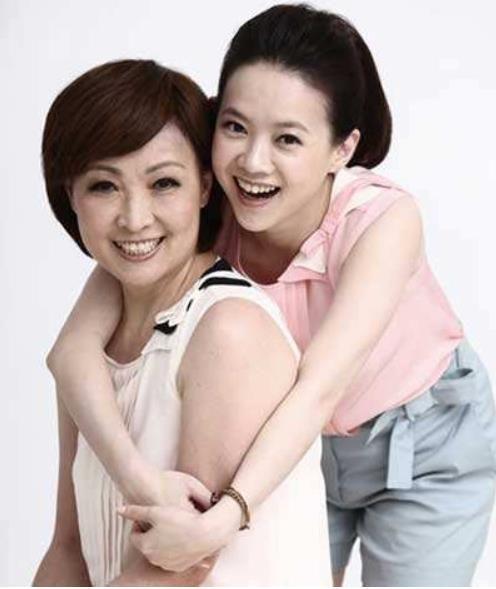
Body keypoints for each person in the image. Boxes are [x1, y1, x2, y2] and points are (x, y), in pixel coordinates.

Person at [46, 4, 496, 587]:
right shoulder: (193, 205)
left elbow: (317, 389)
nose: (253, 162)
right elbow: (71, 354)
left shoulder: (382, 220)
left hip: (421, 439)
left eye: (287, 138)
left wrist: (223, 517)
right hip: (284, 438)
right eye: (235, 128)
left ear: (341, 149)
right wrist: (138, 478)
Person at [32, 58, 332, 587]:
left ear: (205, 187)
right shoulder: (89, 348)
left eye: (164, 183)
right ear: (69, 193)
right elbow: (68, 549)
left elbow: (177, 570)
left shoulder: (228, 329)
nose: (134, 218)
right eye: (103, 186)